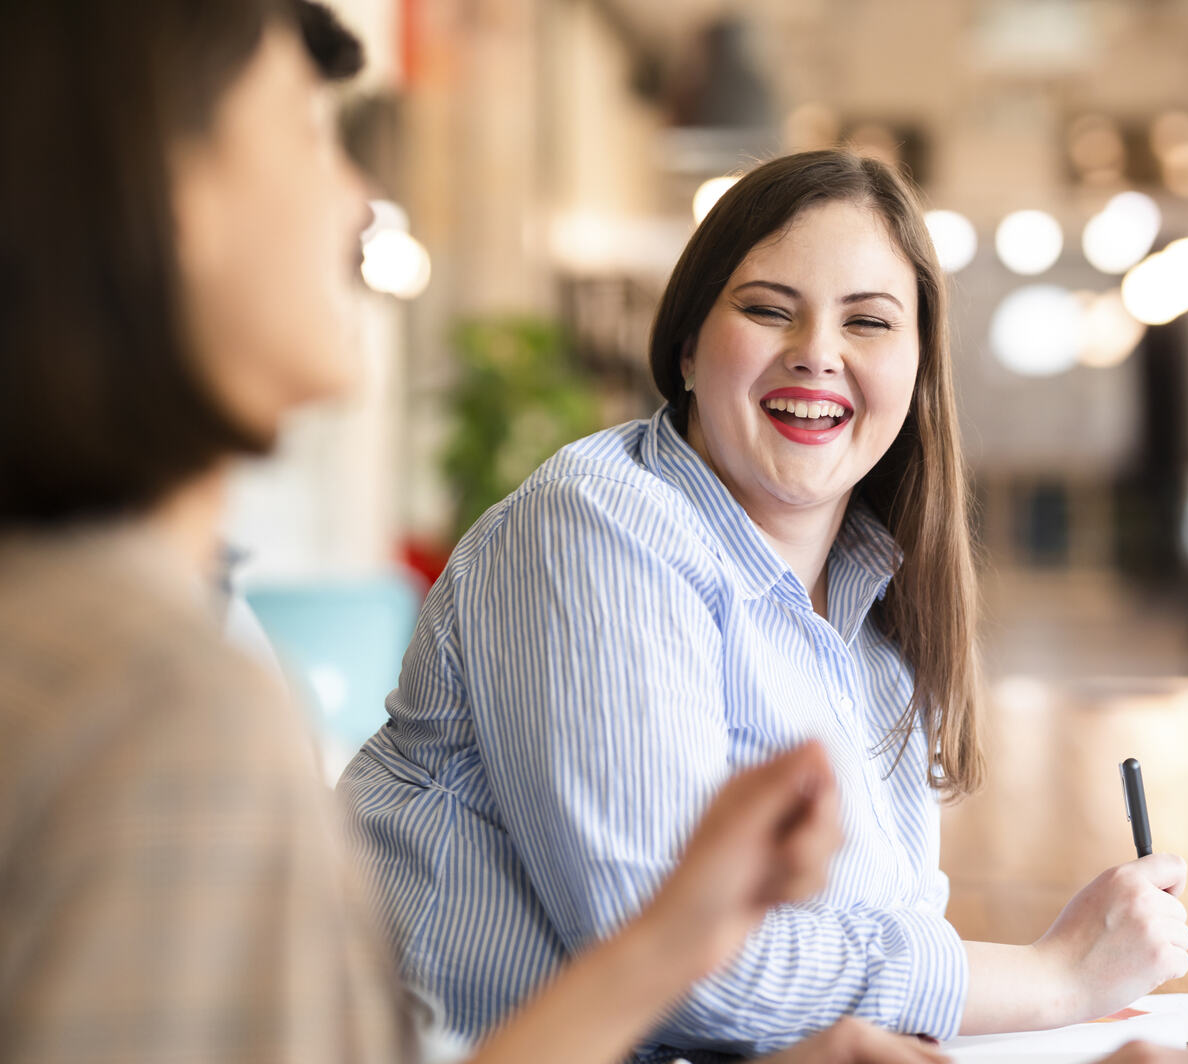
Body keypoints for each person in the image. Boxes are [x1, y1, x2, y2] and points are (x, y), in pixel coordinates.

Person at [0, 4, 949, 1064]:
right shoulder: (148, 696)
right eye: (307, 140)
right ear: (147, 205)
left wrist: (674, 947)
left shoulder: (147, 637)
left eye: (871, 319)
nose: (359, 200)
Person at [339, 148, 1188, 1062]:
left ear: (916, 372)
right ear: (686, 346)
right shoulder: (598, 526)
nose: (817, 354)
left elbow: (871, 947)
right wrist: (1059, 976)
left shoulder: (878, 606)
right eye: (767, 309)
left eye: (868, 322)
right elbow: (678, 964)